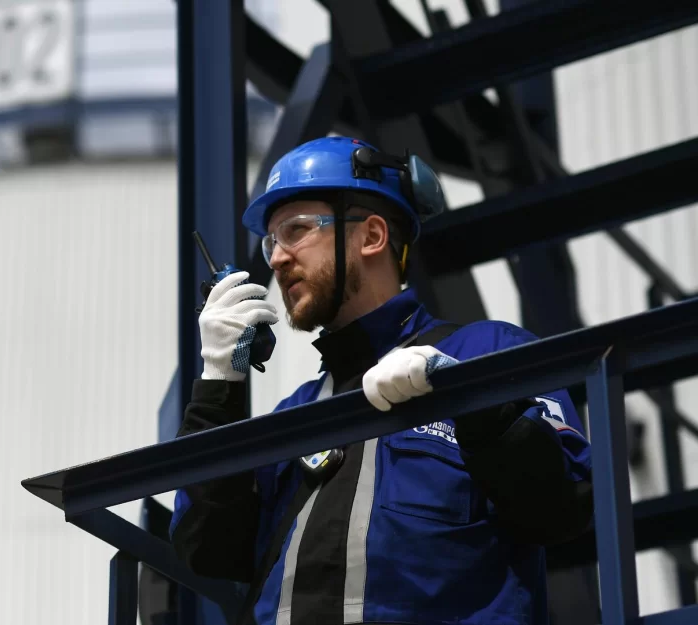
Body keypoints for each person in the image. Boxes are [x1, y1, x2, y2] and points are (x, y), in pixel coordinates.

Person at [169, 136, 593, 625]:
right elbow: (207, 549)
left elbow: (566, 506)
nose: (277, 260)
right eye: (271, 242)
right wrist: (219, 383)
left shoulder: (488, 352)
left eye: (295, 230)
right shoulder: (294, 414)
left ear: (371, 236)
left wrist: (475, 400)